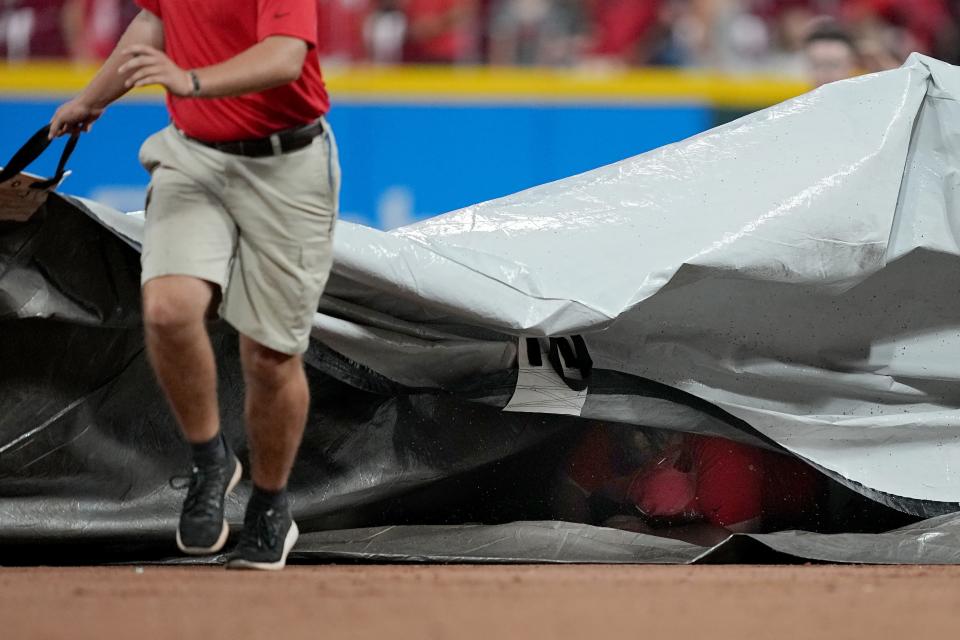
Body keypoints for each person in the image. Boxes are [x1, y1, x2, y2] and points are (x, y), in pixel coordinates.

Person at [49, 0, 339, 570]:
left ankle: (271, 505)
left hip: (287, 164)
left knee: (269, 357)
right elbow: (153, 21)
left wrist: (190, 80)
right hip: (194, 156)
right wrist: (92, 98)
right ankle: (211, 461)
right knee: (167, 311)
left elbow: (284, 58)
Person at [560, 425, 825, 546]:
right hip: (678, 523)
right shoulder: (612, 436)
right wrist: (583, 538)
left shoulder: (722, 452)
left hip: (800, 509)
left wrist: (646, 537)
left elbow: (734, 544)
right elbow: (567, 488)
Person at [803, 18, 860, 87]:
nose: (825, 74)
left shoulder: (870, 94)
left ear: (853, 64)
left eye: (834, 65)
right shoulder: (792, 96)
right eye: (817, 65)